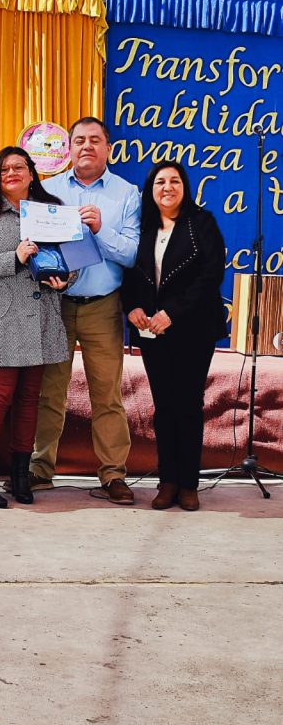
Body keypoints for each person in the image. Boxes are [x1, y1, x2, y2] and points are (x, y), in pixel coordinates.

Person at [29, 117, 141, 504]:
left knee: (107, 395)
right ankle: (39, 468)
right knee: (49, 392)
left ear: (108, 148)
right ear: (69, 148)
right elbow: (33, 244)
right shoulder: (47, 189)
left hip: (103, 306)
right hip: (55, 304)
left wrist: (100, 230)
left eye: (95, 140)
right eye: (79, 140)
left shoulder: (126, 194)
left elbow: (132, 254)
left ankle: (113, 474)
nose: (87, 147)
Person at [0, 146, 71, 509]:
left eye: (18, 167)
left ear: (31, 172)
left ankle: (21, 475)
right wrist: (15, 257)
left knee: (29, 399)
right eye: (3, 169)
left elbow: (71, 256)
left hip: (42, 316)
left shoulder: (51, 209)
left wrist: (66, 278)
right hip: (3, 318)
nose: (11, 173)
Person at [121, 160, 227, 512]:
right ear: (151, 190)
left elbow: (211, 275)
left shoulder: (201, 222)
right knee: (164, 407)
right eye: (160, 182)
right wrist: (132, 307)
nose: (167, 187)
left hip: (193, 329)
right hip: (152, 331)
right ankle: (167, 482)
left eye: (174, 181)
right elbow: (130, 274)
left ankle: (188, 484)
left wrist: (172, 313)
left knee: (188, 405)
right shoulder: (142, 227)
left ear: (185, 187)